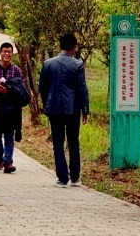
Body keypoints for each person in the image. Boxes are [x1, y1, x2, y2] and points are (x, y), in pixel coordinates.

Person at [39, 32, 90, 187]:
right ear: (74, 48)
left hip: (54, 109)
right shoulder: (77, 65)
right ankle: (75, 177)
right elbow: (82, 89)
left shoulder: (48, 64)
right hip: (72, 109)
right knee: (74, 142)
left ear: (60, 46)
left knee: (58, 143)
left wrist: (47, 102)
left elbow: (43, 88)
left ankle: (62, 178)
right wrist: (85, 110)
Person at [0, 41, 27, 173]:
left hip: (11, 109)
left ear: (12, 54)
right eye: (4, 51)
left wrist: (9, 90)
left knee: (9, 135)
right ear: (0, 53)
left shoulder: (16, 70)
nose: (7, 54)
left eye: (9, 52)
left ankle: (8, 162)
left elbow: (21, 88)